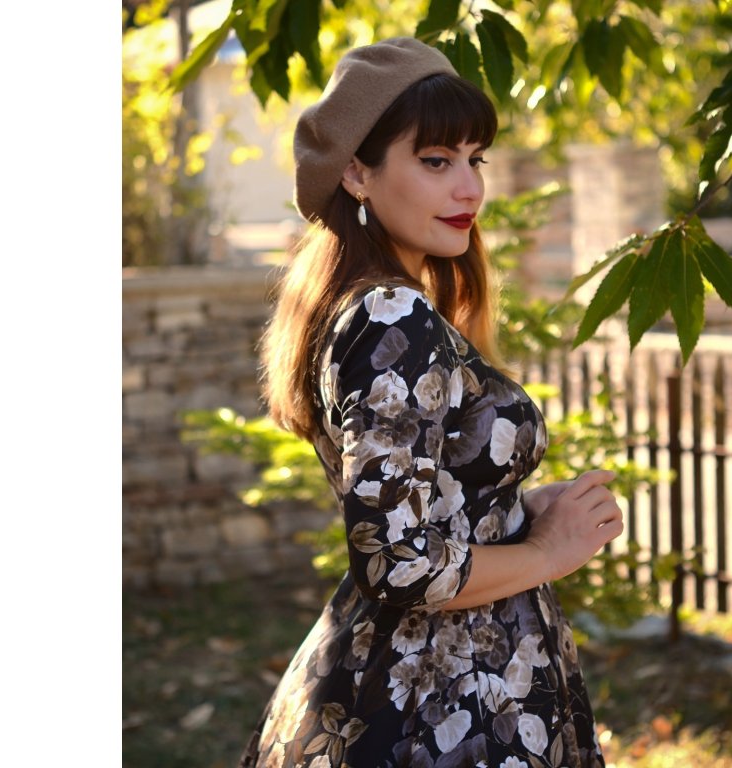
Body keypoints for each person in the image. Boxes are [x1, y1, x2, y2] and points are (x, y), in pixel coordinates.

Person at [239, 37, 625, 768]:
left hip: (434, 681)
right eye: (436, 161)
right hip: (444, 703)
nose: (470, 189)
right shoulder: (391, 315)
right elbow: (397, 562)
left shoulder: (370, 308)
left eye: (476, 159)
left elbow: (415, 512)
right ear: (357, 172)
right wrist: (548, 551)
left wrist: (514, 512)